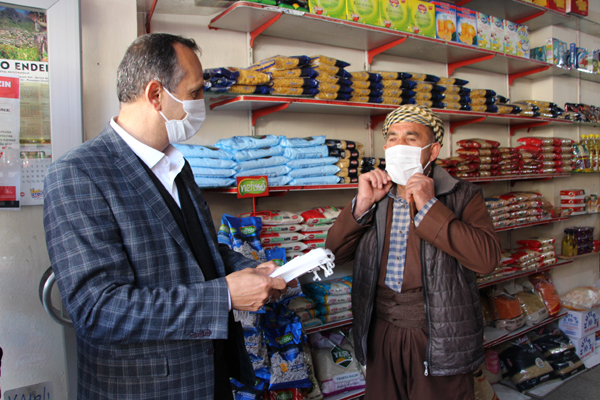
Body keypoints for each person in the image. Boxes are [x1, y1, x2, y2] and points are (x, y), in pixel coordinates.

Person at [43, 33, 288, 400]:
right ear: (156, 95)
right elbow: (98, 309)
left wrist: (254, 271)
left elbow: (202, 252)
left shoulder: (177, 165)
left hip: (208, 376)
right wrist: (223, 296)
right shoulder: (78, 174)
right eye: (194, 93)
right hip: (146, 388)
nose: (201, 104)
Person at [325, 105, 501, 400]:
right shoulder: (377, 195)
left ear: (432, 151)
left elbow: (486, 260)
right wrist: (361, 205)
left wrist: (430, 205)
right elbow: (334, 253)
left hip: (439, 334)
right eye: (392, 138)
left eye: (410, 138)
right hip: (381, 330)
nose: (398, 146)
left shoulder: (462, 194)